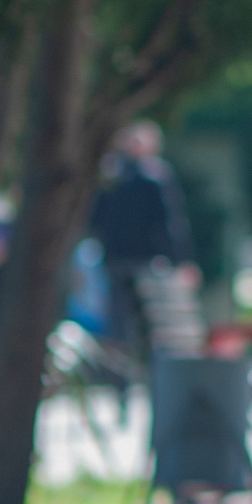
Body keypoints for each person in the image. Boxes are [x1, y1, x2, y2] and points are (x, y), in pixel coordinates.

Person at [89, 121, 198, 368]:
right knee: (153, 327)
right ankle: (148, 374)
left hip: (115, 260)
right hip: (146, 263)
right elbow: (169, 224)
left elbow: (95, 221)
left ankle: (122, 379)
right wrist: (181, 260)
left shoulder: (109, 176)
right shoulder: (155, 176)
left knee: (120, 325)